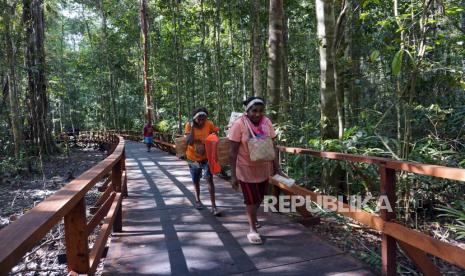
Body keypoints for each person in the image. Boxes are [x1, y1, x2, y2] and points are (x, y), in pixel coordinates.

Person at [228, 97, 282, 244]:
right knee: (251, 200)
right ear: (247, 111)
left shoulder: (267, 122)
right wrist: (233, 175)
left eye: (260, 111)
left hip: (264, 168)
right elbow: (232, 151)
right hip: (245, 170)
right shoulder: (239, 124)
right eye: (254, 111)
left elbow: (273, 146)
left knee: (259, 198)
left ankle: (253, 216)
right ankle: (252, 230)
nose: (257, 114)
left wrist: (277, 168)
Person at [185, 107, 220, 215]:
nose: (201, 121)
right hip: (193, 158)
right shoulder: (189, 125)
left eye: (203, 118)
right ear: (194, 118)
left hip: (206, 157)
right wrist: (192, 128)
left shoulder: (209, 124)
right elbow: (189, 142)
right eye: (198, 119)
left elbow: (215, 136)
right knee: (196, 180)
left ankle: (214, 206)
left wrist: (207, 141)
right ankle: (197, 199)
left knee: (209, 179)